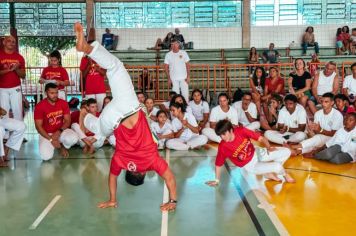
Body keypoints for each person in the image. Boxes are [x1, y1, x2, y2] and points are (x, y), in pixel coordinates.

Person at [74, 22, 177, 211]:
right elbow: (112, 177)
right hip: (112, 118)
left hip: (129, 106)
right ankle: (85, 116)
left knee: (115, 66)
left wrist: (173, 202)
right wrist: (112, 199)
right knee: (98, 129)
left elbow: (169, 177)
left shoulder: (151, 161)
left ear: (143, 173)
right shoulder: (119, 160)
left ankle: (87, 48)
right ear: (129, 173)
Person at [205, 120, 295, 186]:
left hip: (257, 152)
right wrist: (216, 180)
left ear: (231, 130)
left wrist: (268, 147)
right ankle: (284, 174)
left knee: (287, 151)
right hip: (250, 165)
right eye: (220, 135)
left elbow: (261, 138)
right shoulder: (223, 146)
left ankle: (269, 171)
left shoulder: (241, 131)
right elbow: (218, 164)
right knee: (277, 166)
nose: (222, 137)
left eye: (224, 134)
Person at [34, 83, 79, 161]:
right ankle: (57, 146)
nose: (55, 95)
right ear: (46, 93)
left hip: (61, 131)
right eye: (52, 93)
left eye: (56, 92)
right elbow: (38, 127)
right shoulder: (40, 106)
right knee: (46, 157)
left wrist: (59, 131)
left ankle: (62, 146)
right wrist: (51, 140)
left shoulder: (63, 103)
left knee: (73, 138)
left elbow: (68, 121)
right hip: (46, 134)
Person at [0, 35, 26, 121]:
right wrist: (9, 70)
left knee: (18, 111)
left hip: (16, 88)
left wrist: (16, 69)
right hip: (2, 88)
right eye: (9, 41)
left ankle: (20, 133)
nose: (11, 43)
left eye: (13, 42)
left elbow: (23, 75)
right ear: (4, 42)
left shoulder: (19, 57)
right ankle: (4, 134)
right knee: (4, 112)